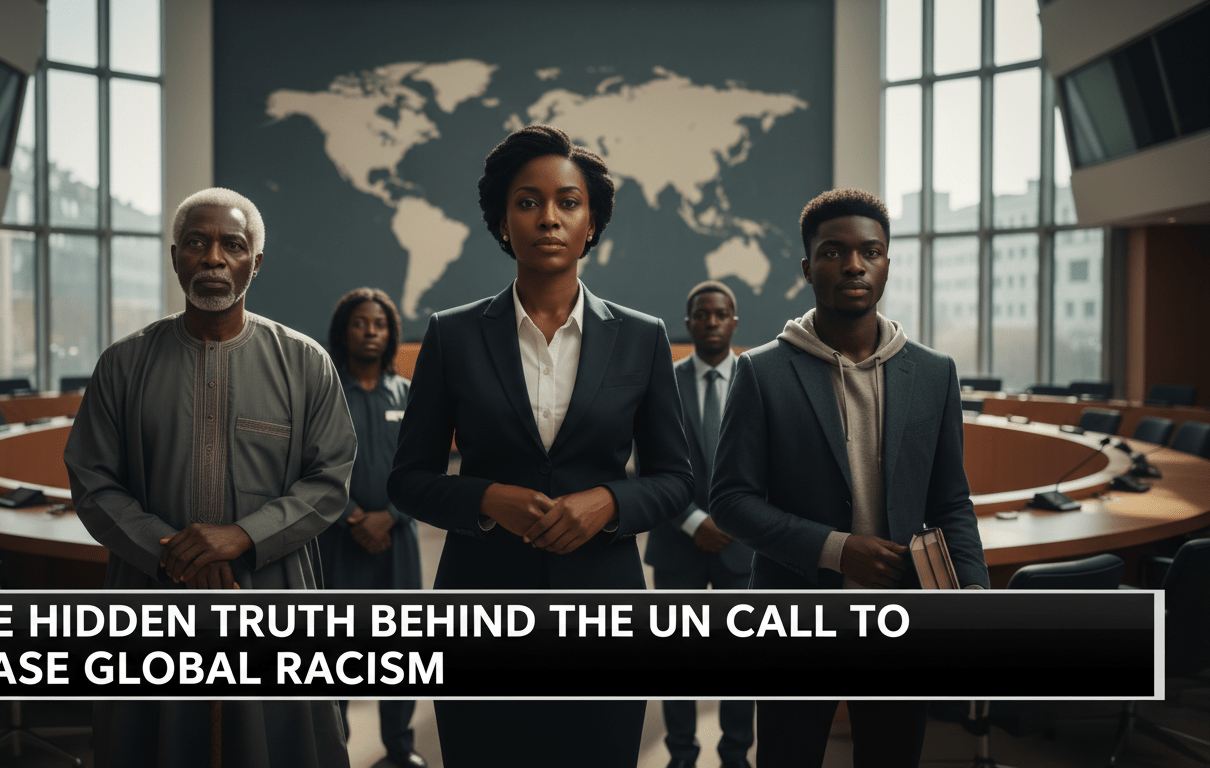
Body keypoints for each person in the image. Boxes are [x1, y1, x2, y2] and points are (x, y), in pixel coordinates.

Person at [387, 125, 694, 768]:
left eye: (568, 202)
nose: (547, 218)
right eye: (527, 202)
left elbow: (675, 478)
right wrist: (486, 498)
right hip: (479, 601)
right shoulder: (451, 335)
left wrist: (607, 504)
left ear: (591, 224)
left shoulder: (643, 338)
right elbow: (409, 479)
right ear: (503, 222)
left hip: (604, 603)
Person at [64, 187, 355, 768]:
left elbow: (330, 481)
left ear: (256, 262)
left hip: (270, 597)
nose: (214, 258)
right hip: (153, 598)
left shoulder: (304, 363)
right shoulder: (123, 364)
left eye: (233, 244)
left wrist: (242, 536)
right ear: (176, 257)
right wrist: (172, 549)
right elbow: (92, 481)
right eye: (197, 243)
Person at [710, 188, 988, 768]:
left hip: (900, 617)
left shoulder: (935, 373)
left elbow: (951, 501)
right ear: (808, 267)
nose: (854, 265)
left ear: (887, 263)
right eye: (834, 252)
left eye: (871, 251)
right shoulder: (761, 372)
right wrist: (837, 551)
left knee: (891, 757)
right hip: (793, 613)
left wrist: (974, 597)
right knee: (788, 756)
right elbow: (732, 500)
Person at [646, 280, 754, 768]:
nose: (711, 322)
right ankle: (681, 756)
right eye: (701, 315)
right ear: (688, 324)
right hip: (676, 540)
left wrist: (738, 520)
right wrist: (692, 521)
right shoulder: (661, 381)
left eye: (721, 314)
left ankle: (735, 755)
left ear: (734, 321)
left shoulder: (759, 379)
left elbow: (773, 466)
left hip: (744, 544)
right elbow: (648, 466)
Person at [319, 287, 426, 768]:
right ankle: (330, 746)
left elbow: (427, 470)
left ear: (391, 334)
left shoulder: (409, 394)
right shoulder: (323, 392)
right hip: (339, 540)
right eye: (360, 323)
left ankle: (400, 750)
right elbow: (307, 466)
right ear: (345, 331)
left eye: (379, 324)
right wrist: (353, 517)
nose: (370, 331)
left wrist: (391, 515)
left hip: (397, 539)